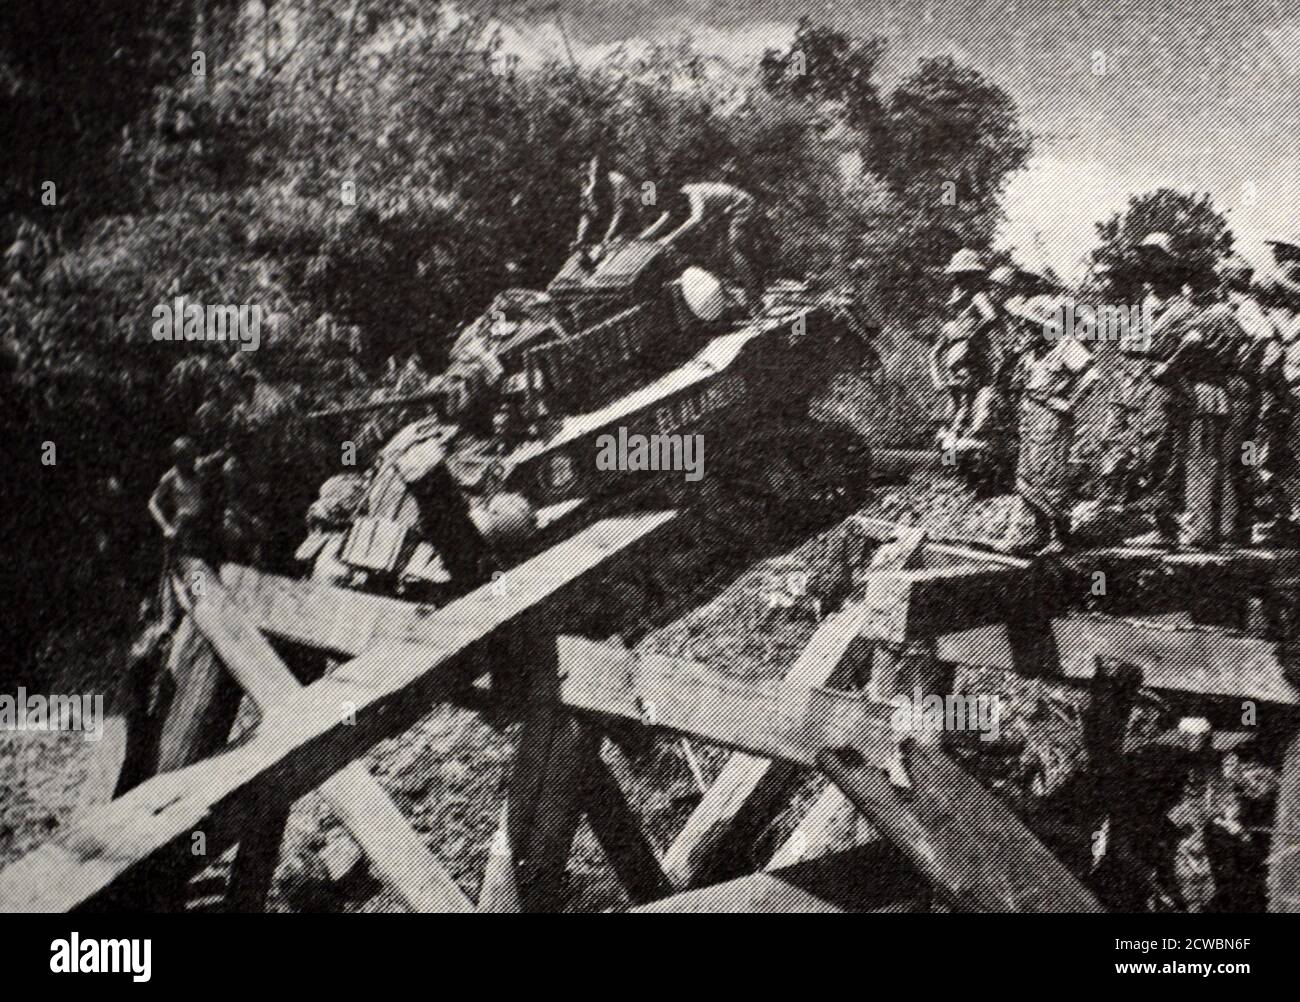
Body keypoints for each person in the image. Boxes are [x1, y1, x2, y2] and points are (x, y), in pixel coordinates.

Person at [1093, 232, 1200, 548]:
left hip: (1161, 383)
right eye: (1147, 267)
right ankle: (1128, 514)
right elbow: (1126, 341)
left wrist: (1170, 365)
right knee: (1124, 445)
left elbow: (1193, 343)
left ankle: (1166, 525)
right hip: (1133, 379)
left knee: (1159, 449)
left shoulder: (1184, 308)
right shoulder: (1144, 305)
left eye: (1156, 265)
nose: (1150, 275)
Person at [998, 297, 1098, 555]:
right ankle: (1037, 535)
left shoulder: (1066, 345)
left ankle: (1060, 537)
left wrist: (1069, 402)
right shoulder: (1032, 351)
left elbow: (1091, 375)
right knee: (1028, 475)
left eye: (1031, 325)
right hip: (1031, 415)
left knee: (1050, 476)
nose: (1025, 329)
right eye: (1025, 325)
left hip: (1052, 419)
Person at [640, 175, 767, 307]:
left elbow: (696, 219)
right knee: (716, 253)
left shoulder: (693, 193)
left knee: (735, 251)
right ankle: (727, 296)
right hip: (726, 211)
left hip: (742, 205)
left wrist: (669, 238)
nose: (666, 202)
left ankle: (753, 298)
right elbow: (663, 220)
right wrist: (640, 239)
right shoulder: (677, 198)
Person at [930, 248, 1002, 451]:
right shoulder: (968, 304)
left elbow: (991, 317)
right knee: (960, 409)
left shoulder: (972, 299)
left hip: (964, 361)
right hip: (964, 361)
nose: (959, 280)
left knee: (959, 409)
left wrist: (972, 336)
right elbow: (991, 317)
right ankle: (951, 460)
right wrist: (974, 335)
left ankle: (951, 460)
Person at [148, 436, 224, 621]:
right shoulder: (170, 477)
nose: (190, 463)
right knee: (193, 566)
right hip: (183, 529)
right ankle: (197, 608)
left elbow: (217, 457)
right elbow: (152, 503)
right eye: (186, 460)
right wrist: (166, 527)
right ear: (178, 461)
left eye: (192, 458)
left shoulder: (199, 467)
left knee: (209, 562)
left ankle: (212, 603)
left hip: (202, 526)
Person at [571, 156, 643, 265]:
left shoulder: (619, 182)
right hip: (607, 219)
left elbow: (619, 213)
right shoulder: (587, 183)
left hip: (630, 219)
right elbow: (585, 214)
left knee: (612, 248)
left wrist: (607, 240)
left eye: (599, 178)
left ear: (605, 174)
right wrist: (580, 239)